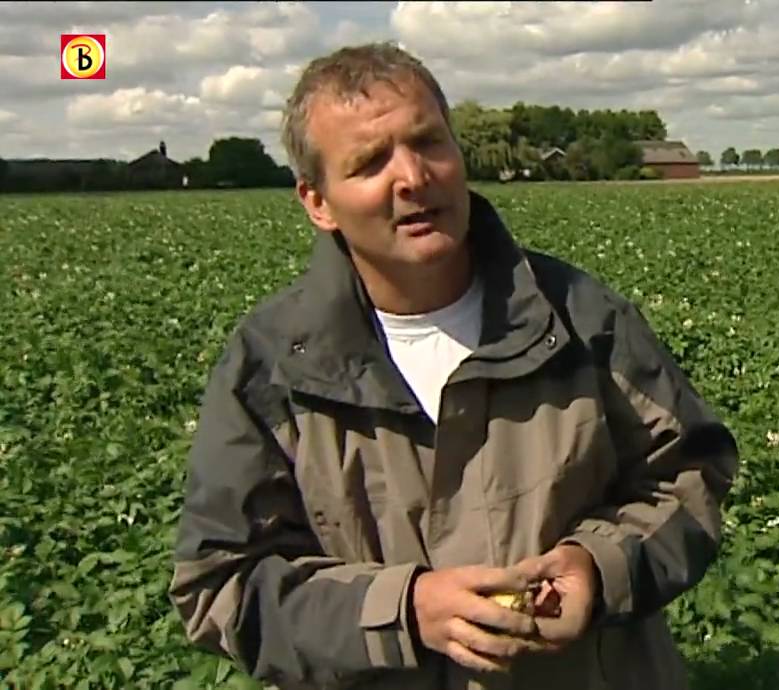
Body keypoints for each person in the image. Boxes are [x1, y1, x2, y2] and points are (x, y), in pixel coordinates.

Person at [167, 42, 739, 690]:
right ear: (317, 201)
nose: (413, 176)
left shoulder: (581, 318)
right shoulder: (273, 367)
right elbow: (222, 585)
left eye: (429, 142)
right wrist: (404, 613)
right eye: (370, 162)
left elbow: (689, 474)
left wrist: (596, 569)